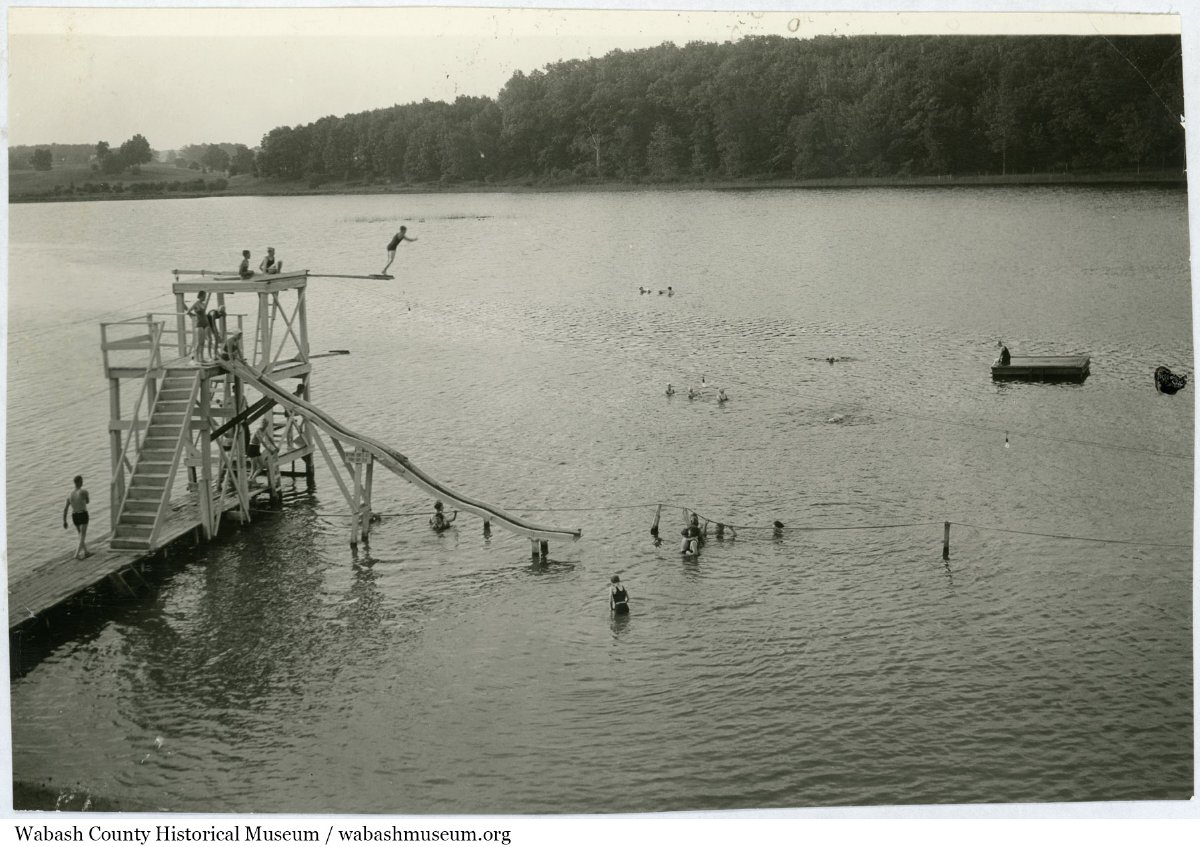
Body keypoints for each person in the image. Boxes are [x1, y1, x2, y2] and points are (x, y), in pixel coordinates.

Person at [62, 475, 91, 559]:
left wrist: (64, 521)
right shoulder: (84, 491)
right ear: (78, 482)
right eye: (81, 481)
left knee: (80, 535)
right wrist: (85, 498)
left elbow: (66, 509)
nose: (82, 482)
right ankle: (76, 554)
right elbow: (88, 502)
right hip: (83, 514)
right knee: (82, 535)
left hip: (74, 515)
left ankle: (86, 552)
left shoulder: (70, 494)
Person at [248, 415, 276, 479]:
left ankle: (252, 480)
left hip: (257, 448)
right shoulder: (258, 430)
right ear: (261, 423)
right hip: (252, 448)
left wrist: (275, 446)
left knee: (261, 466)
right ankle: (250, 480)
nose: (263, 424)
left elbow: (270, 438)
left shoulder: (265, 430)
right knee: (254, 468)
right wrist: (269, 450)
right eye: (263, 423)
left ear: (267, 424)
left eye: (265, 423)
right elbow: (262, 442)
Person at [187, 291, 210, 363]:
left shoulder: (203, 304)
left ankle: (202, 358)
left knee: (203, 342)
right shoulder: (196, 303)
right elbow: (188, 311)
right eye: (204, 296)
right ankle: (197, 358)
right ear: (200, 296)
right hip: (199, 324)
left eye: (205, 296)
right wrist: (194, 315)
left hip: (205, 323)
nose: (205, 298)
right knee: (199, 342)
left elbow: (204, 313)